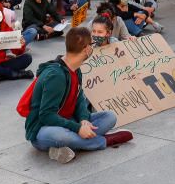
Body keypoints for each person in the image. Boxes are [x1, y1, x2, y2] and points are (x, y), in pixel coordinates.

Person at [24, 26, 132, 163]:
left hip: (70, 120)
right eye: (92, 45)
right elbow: (46, 115)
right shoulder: (55, 76)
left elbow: (80, 98)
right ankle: (102, 141)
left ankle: (66, 147)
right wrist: (78, 128)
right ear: (86, 49)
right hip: (43, 129)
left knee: (109, 117)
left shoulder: (76, 68)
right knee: (61, 136)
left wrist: (83, 119)